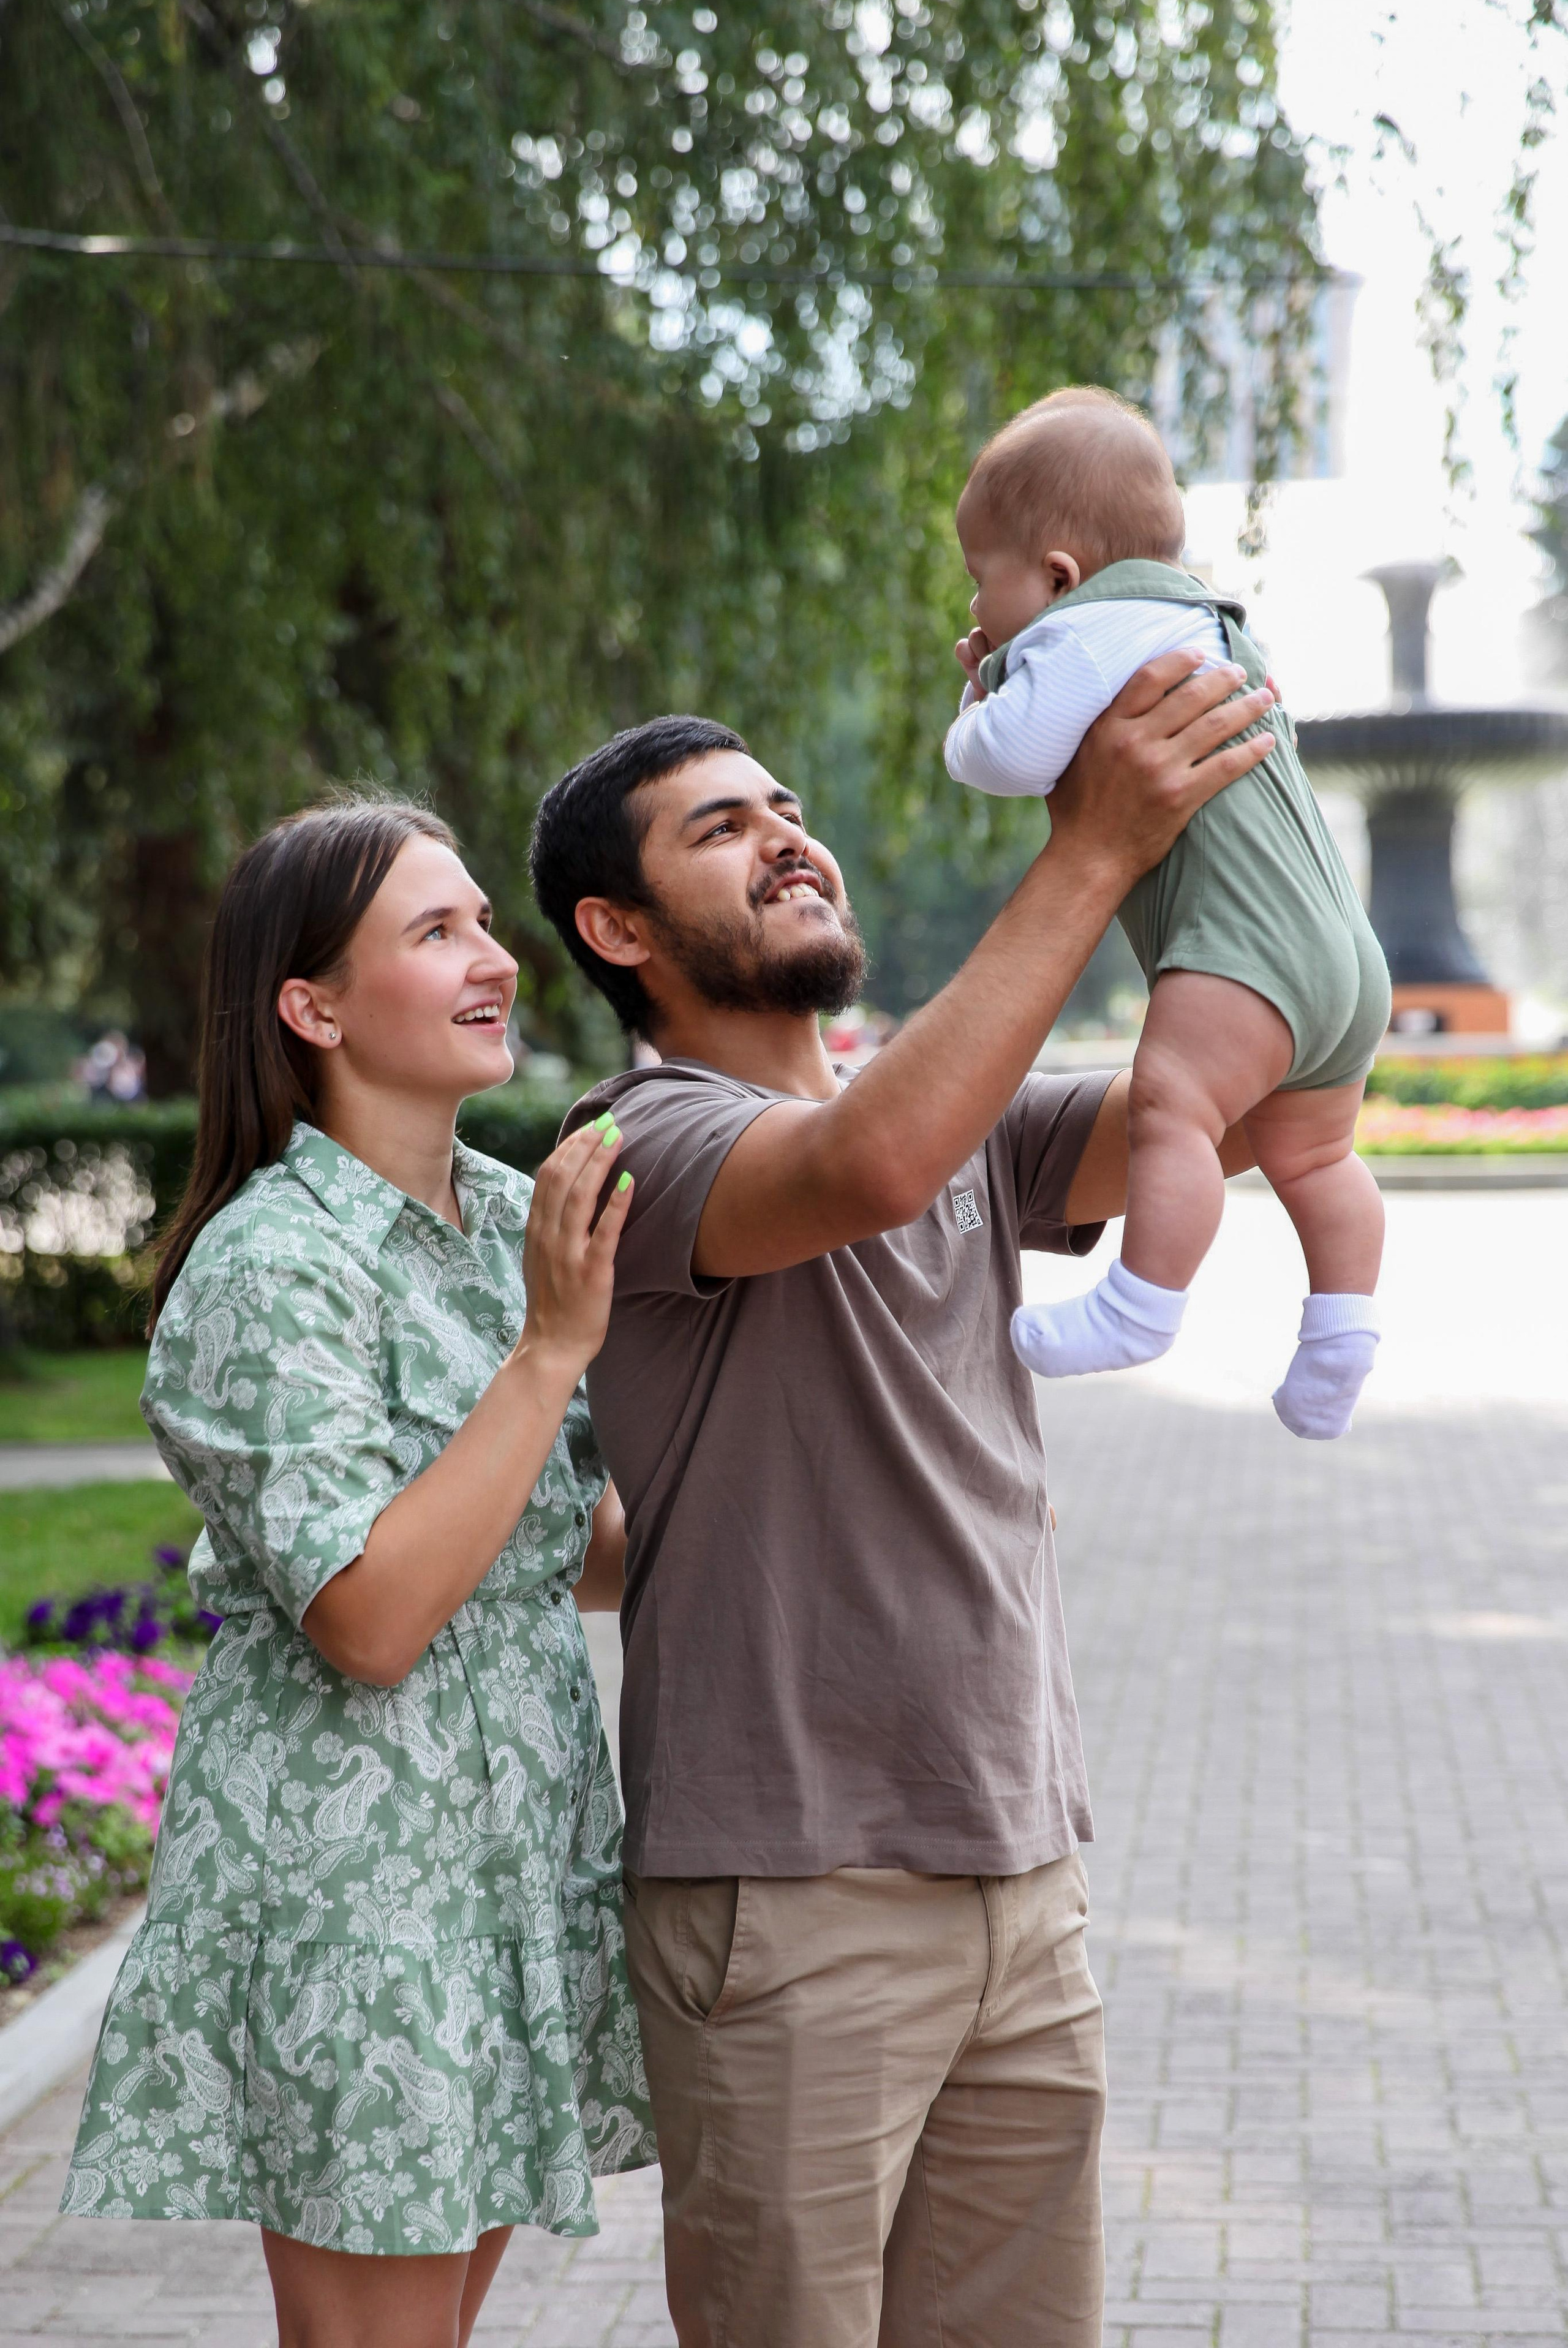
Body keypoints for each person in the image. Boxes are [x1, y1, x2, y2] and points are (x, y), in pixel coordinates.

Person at [526, 652, 1276, 2348]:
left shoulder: (955, 1129)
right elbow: (863, 1174)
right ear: (618, 930)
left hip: (1024, 1865)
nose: (790, 842)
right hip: (793, 1903)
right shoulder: (640, 1143)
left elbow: (1255, 1106)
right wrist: (1086, 846)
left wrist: (1246, 812)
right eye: (722, 830)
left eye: (791, 812)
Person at [62, 798, 656, 2348]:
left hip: (508, 1851)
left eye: (483, 923)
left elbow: (549, 1549)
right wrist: (549, 1355)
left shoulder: (509, 1220)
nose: (494, 961)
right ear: (311, 1007)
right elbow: (374, 1618)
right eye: (435, 931)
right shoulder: (267, 1269)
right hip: (352, 1887)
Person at [946, 387, 1392, 1440]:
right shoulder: (1212, 628)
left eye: (981, 582)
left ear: (1057, 574)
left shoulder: (1086, 633)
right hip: (1346, 961)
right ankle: (1342, 1336)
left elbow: (1007, 758)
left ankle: (1143, 1301)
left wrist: (973, 708)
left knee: (1171, 1108)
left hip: (1244, 959)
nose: (977, 615)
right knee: (1319, 1159)